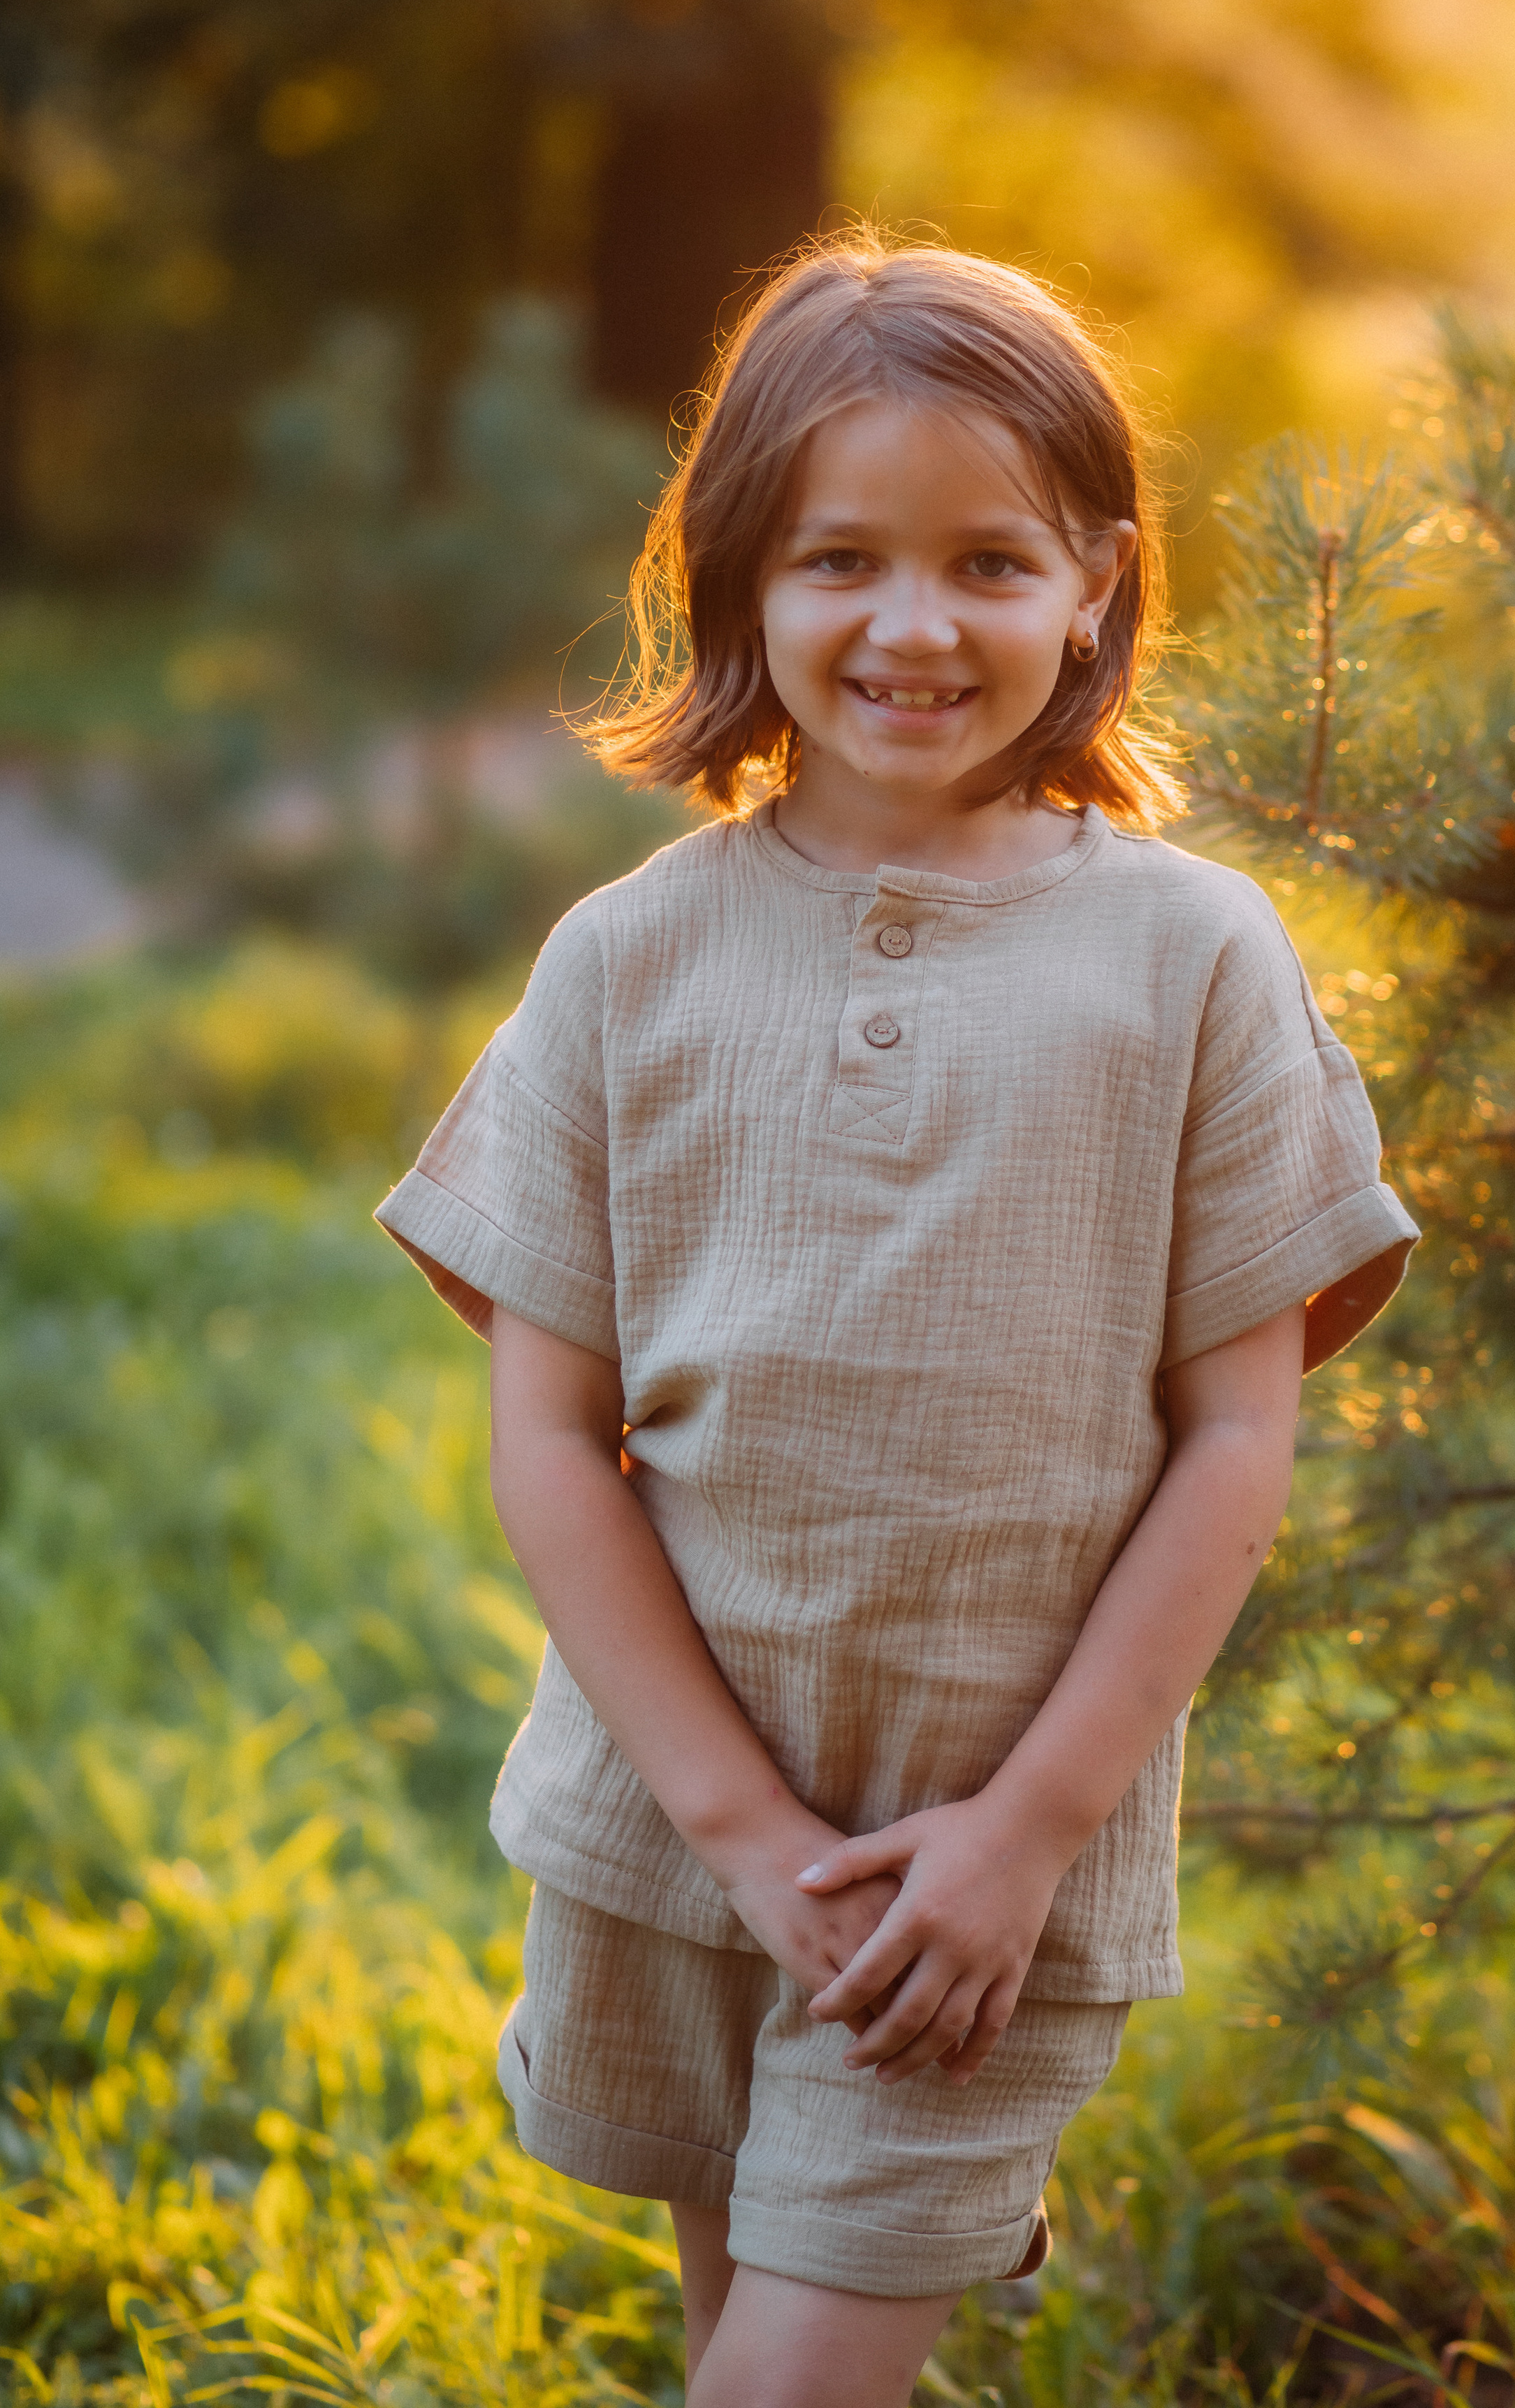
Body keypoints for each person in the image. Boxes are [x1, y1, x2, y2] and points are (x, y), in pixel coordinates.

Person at [375, 234, 1417, 2408]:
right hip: (681, 1837)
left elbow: (1238, 1437)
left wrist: (1026, 1831)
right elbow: (555, 1441)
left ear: (1100, 582)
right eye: (841, 557)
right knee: (735, 2338)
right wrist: (746, 1842)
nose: (916, 625)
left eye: (989, 560)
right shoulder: (622, 962)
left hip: (983, 1876)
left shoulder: (1193, 961)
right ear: (738, 573)